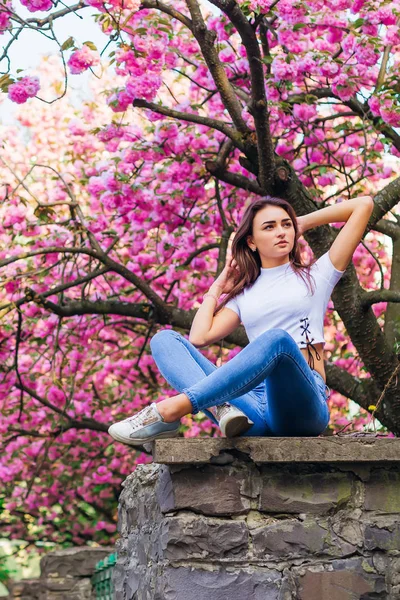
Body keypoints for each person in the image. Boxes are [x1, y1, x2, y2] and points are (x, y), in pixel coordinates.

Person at [108, 194, 374, 445]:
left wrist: (301, 221)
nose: (281, 231)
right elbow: (199, 337)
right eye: (269, 227)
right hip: (251, 410)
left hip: (302, 406)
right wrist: (216, 289)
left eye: (285, 225)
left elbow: (363, 204)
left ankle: (171, 409)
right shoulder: (244, 296)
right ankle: (221, 406)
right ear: (251, 241)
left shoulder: (318, 275)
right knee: (165, 339)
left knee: (277, 339)